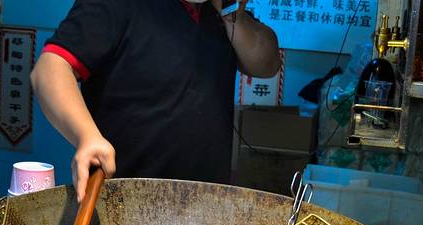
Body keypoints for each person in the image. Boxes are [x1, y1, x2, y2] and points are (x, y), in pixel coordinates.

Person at [31, 0, 280, 202]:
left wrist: (234, 17)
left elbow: (267, 64)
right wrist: (86, 136)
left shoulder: (221, 12)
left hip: (206, 204)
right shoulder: (118, 5)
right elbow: (50, 67)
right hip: (121, 199)